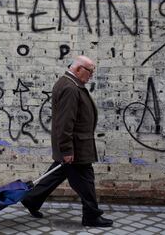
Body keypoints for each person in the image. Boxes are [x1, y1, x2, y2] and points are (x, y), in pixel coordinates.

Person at [22, 55, 113, 228]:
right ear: (79, 69)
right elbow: (65, 122)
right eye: (90, 71)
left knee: (57, 173)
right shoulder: (71, 88)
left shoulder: (69, 83)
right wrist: (67, 150)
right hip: (75, 148)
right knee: (86, 180)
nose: (91, 75)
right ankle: (91, 216)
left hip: (74, 145)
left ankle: (32, 200)